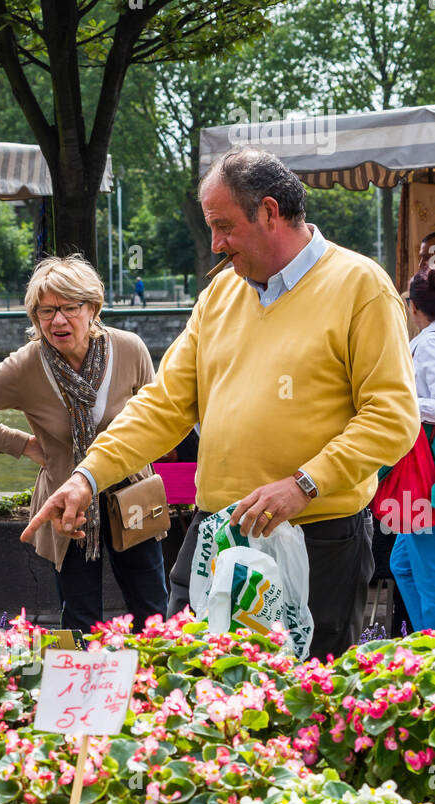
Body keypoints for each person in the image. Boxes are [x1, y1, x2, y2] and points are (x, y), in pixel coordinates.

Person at [24, 149, 420, 660]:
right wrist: (87, 476)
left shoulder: (361, 286)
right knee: (188, 675)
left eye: (223, 226)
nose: (214, 243)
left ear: (270, 213)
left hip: (316, 536)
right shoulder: (219, 295)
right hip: (218, 529)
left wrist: (304, 484)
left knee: (304, 695)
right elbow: (164, 404)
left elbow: (392, 418)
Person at [0, 253, 168, 632]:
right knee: (80, 617)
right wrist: (28, 446)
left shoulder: (129, 349)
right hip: (67, 505)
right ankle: (86, 687)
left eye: (69, 307)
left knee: (153, 610)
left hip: (131, 495)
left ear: (93, 307)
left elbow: (157, 419)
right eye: (45, 311)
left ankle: (154, 685)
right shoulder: (26, 365)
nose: (58, 321)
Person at [389, 268, 435, 631]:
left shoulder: (428, 346)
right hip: (420, 468)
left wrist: (403, 404)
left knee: (426, 573)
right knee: (403, 563)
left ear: (415, 306)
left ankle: (426, 657)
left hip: (424, 471)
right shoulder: (423, 343)